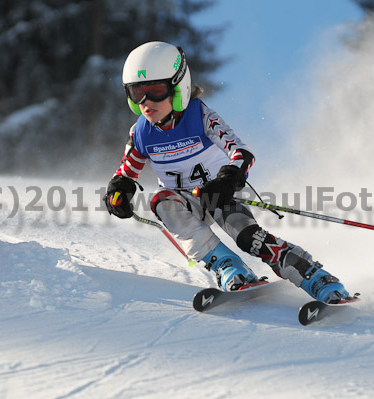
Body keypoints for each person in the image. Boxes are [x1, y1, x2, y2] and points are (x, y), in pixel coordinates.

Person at [104, 41, 351, 303]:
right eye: (136, 92)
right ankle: (228, 267)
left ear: (178, 87)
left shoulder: (200, 118)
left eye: (155, 91)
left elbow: (242, 153)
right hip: (183, 201)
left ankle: (314, 276)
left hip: (218, 193)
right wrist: (118, 191)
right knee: (162, 202)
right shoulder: (140, 133)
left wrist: (227, 179)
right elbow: (126, 172)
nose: (145, 102)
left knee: (247, 237)